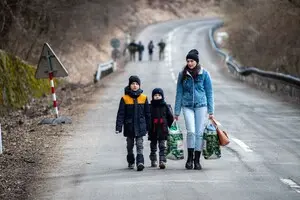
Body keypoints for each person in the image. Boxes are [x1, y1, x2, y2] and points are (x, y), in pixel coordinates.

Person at [174, 49, 214, 170]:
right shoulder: (183, 74)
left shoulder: (204, 74)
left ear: (196, 61)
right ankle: (189, 159)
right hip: (187, 106)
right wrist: (176, 112)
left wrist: (211, 111)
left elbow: (209, 92)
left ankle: (197, 160)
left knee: (199, 133)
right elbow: (179, 93)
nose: (190, 63)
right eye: (188, 61)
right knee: (191, 131)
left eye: (192, 61)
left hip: (201, 105)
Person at [116, 75, 151, 171]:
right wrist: (118, 127)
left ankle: (140, 162)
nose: (135, 86)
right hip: (129, 126)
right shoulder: (125, 98)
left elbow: (147, 114)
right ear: (129, 85)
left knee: (140, 145)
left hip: (140, 126)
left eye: (136, 84)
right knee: (129, 145)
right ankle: (131, 161)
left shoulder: (144, 98)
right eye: (132, 84)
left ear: (139, 85)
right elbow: (121, 114)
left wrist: (149, 126)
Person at [148, 88, 174, 169]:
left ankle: (162, 161)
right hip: (153, 130)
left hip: (163, 130)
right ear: (152, 97)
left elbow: (170, 118)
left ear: (162, 96)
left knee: (162, 146)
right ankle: (153, 160)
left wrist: (171, 127)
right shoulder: (150, 106)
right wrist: (147, 128)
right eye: (155, 95)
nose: (157, 97)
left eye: (159, 95)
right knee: (153, 147)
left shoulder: (165, 106)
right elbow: (147, 118)